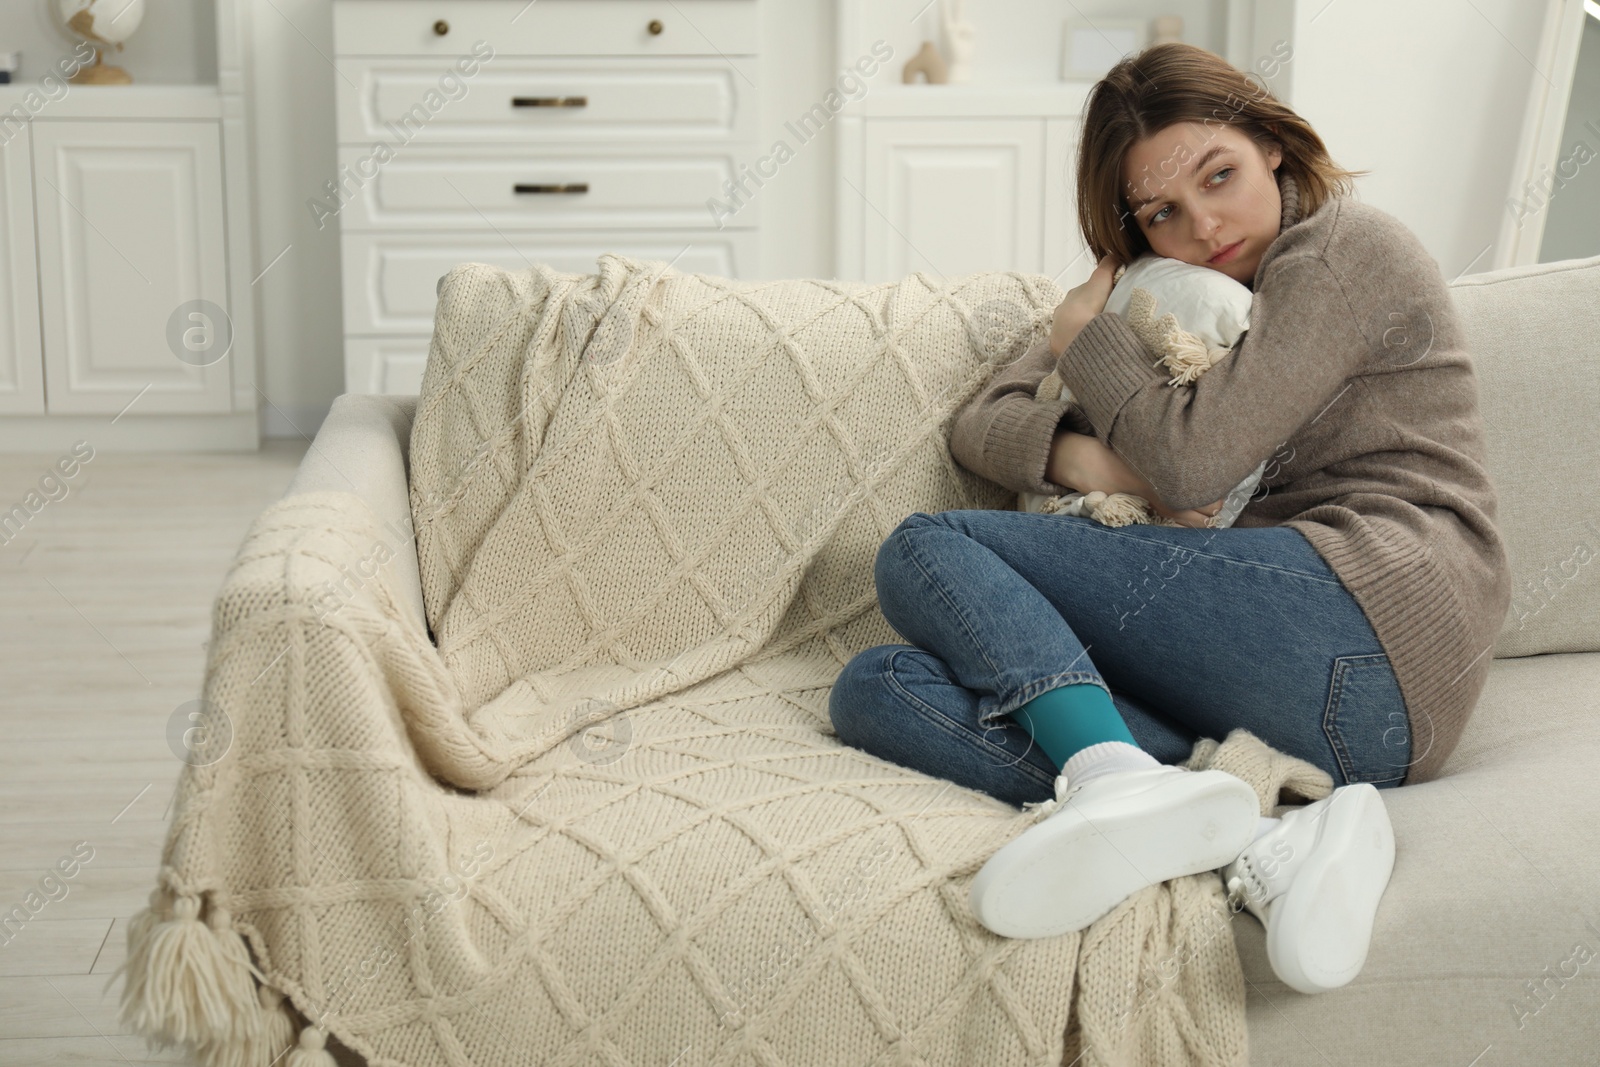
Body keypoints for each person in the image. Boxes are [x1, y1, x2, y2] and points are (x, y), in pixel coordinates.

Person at [827, 43, 1512, 994]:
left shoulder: (1345, 250)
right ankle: (1270, 837)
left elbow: (1194, 458)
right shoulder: (1163, 296)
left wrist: (1087, 345)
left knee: (927, 547)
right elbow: (980, 421)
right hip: (1307, 688)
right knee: (878, 686)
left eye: (1220, 176)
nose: (1205, 226)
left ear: (1271, 141)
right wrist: (1094, 457)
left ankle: (1115, 784)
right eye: (1163, 213)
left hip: (1372, 619)